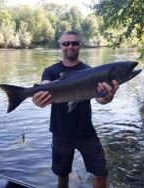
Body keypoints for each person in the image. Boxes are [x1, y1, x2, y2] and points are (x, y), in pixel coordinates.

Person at [32, 31, 119, 188]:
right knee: (62, 175)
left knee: (100, 173)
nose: (70, 46)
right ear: (60, 46)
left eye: (74, 43)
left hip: (86, 132)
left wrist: (107, 97)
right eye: (66, 43)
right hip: (60, 133)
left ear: (80, 46)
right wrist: (37, 98)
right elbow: (44, 84)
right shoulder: (50, 71)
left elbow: (100, 98)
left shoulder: (90, 71)